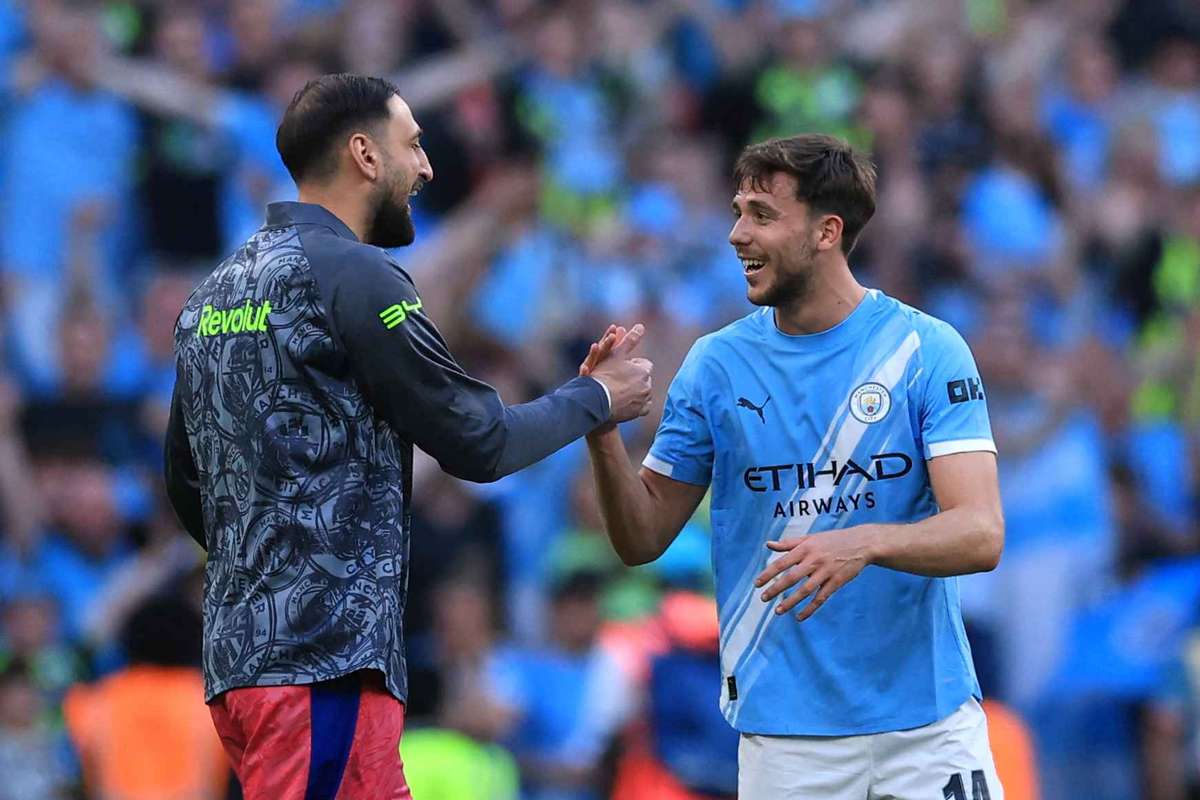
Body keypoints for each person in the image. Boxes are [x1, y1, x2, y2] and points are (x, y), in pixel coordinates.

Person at [163, 73, 653, 799]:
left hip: (247, 668)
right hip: (325, 669)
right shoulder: (360, 277)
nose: (426, 167)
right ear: (364, 154)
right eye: (414, 145)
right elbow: (478, 443)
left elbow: (185, 483)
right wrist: (596, 397)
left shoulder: (213, 293)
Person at [582, 134, 1006, 799]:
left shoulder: (926, 349)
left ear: (826, 232)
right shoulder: (715, 367)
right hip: (786, 741)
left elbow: (981, 533)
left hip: (928, 726)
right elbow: (640, 538)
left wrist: (863, 544)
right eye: (737, 211)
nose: (735, 235)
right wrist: (602, 431)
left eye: (760, 215)